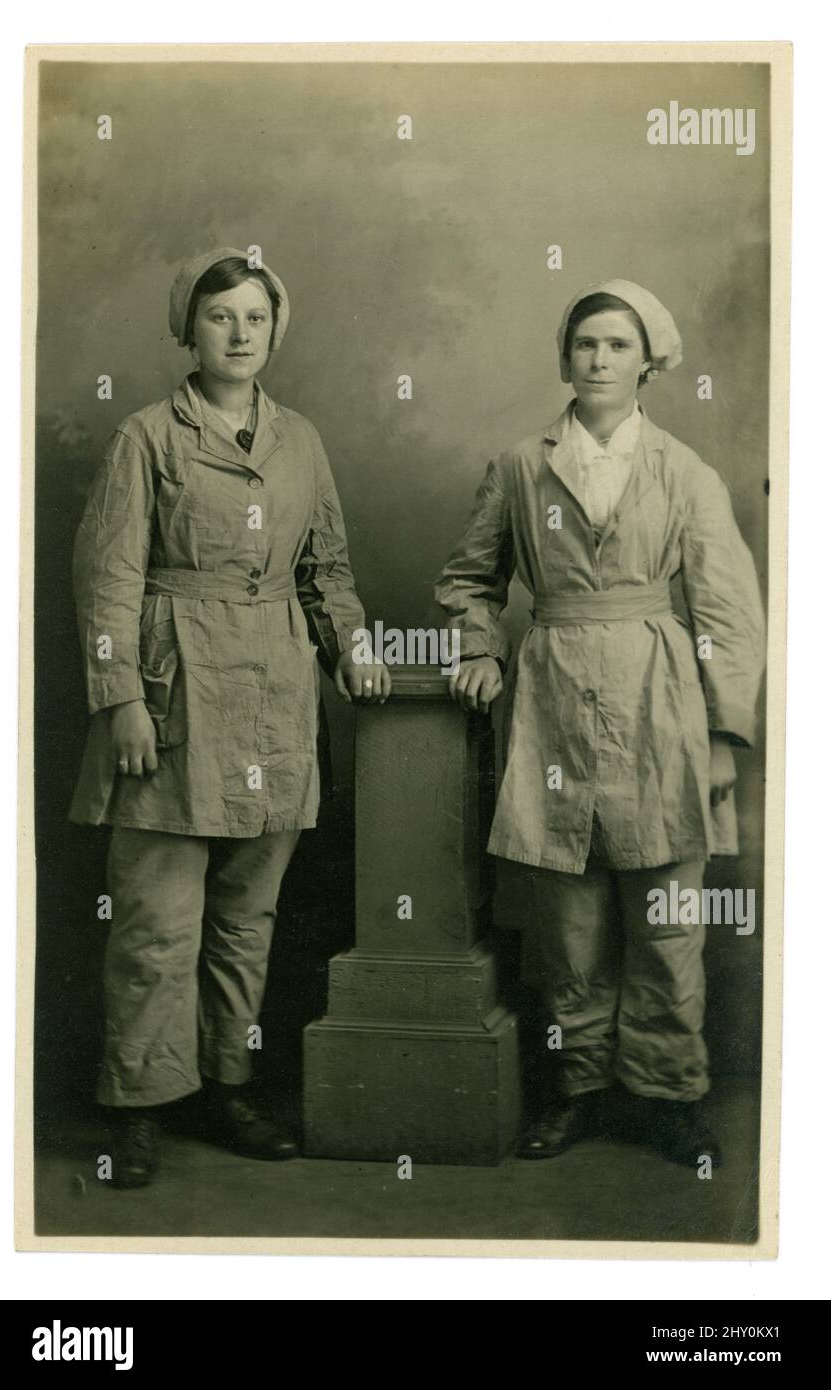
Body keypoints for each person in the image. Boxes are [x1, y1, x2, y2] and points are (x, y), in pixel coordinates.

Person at [70, 246, 390, 1188]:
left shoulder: (301, 440)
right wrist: (120, 696)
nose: (240, 334)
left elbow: (324, 570)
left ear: (274, 329)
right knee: (155, 920)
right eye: (221, 318)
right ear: (190, 328)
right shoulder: (146, 438)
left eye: (255, 317)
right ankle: (138, 1102)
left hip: (275, 697)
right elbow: (106, 582)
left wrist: (355, 651)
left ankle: (225, 1083)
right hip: (173, 697)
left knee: (247, 918)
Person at [434, 279, 765, 1167]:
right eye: (585, 344)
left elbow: (730, 613)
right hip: (552, 702)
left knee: (664, 920)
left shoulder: (682, 472)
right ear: (564, 358)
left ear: (647, 363)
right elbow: (471, 578)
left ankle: (665, 1096)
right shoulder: (517, 466)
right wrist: (480, 649)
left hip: (661, 705)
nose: (599, 361)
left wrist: (725, 735)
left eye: (618, 346)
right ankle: (579, 1090)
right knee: (568, 926)